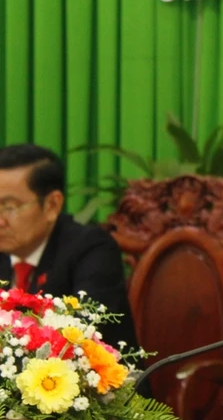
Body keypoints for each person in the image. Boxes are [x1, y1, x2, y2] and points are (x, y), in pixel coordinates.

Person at [0, 143, 140, 352]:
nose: (1, 221)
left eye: (9, 207)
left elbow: (82, 332)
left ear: (52, 205)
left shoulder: (92, 249)